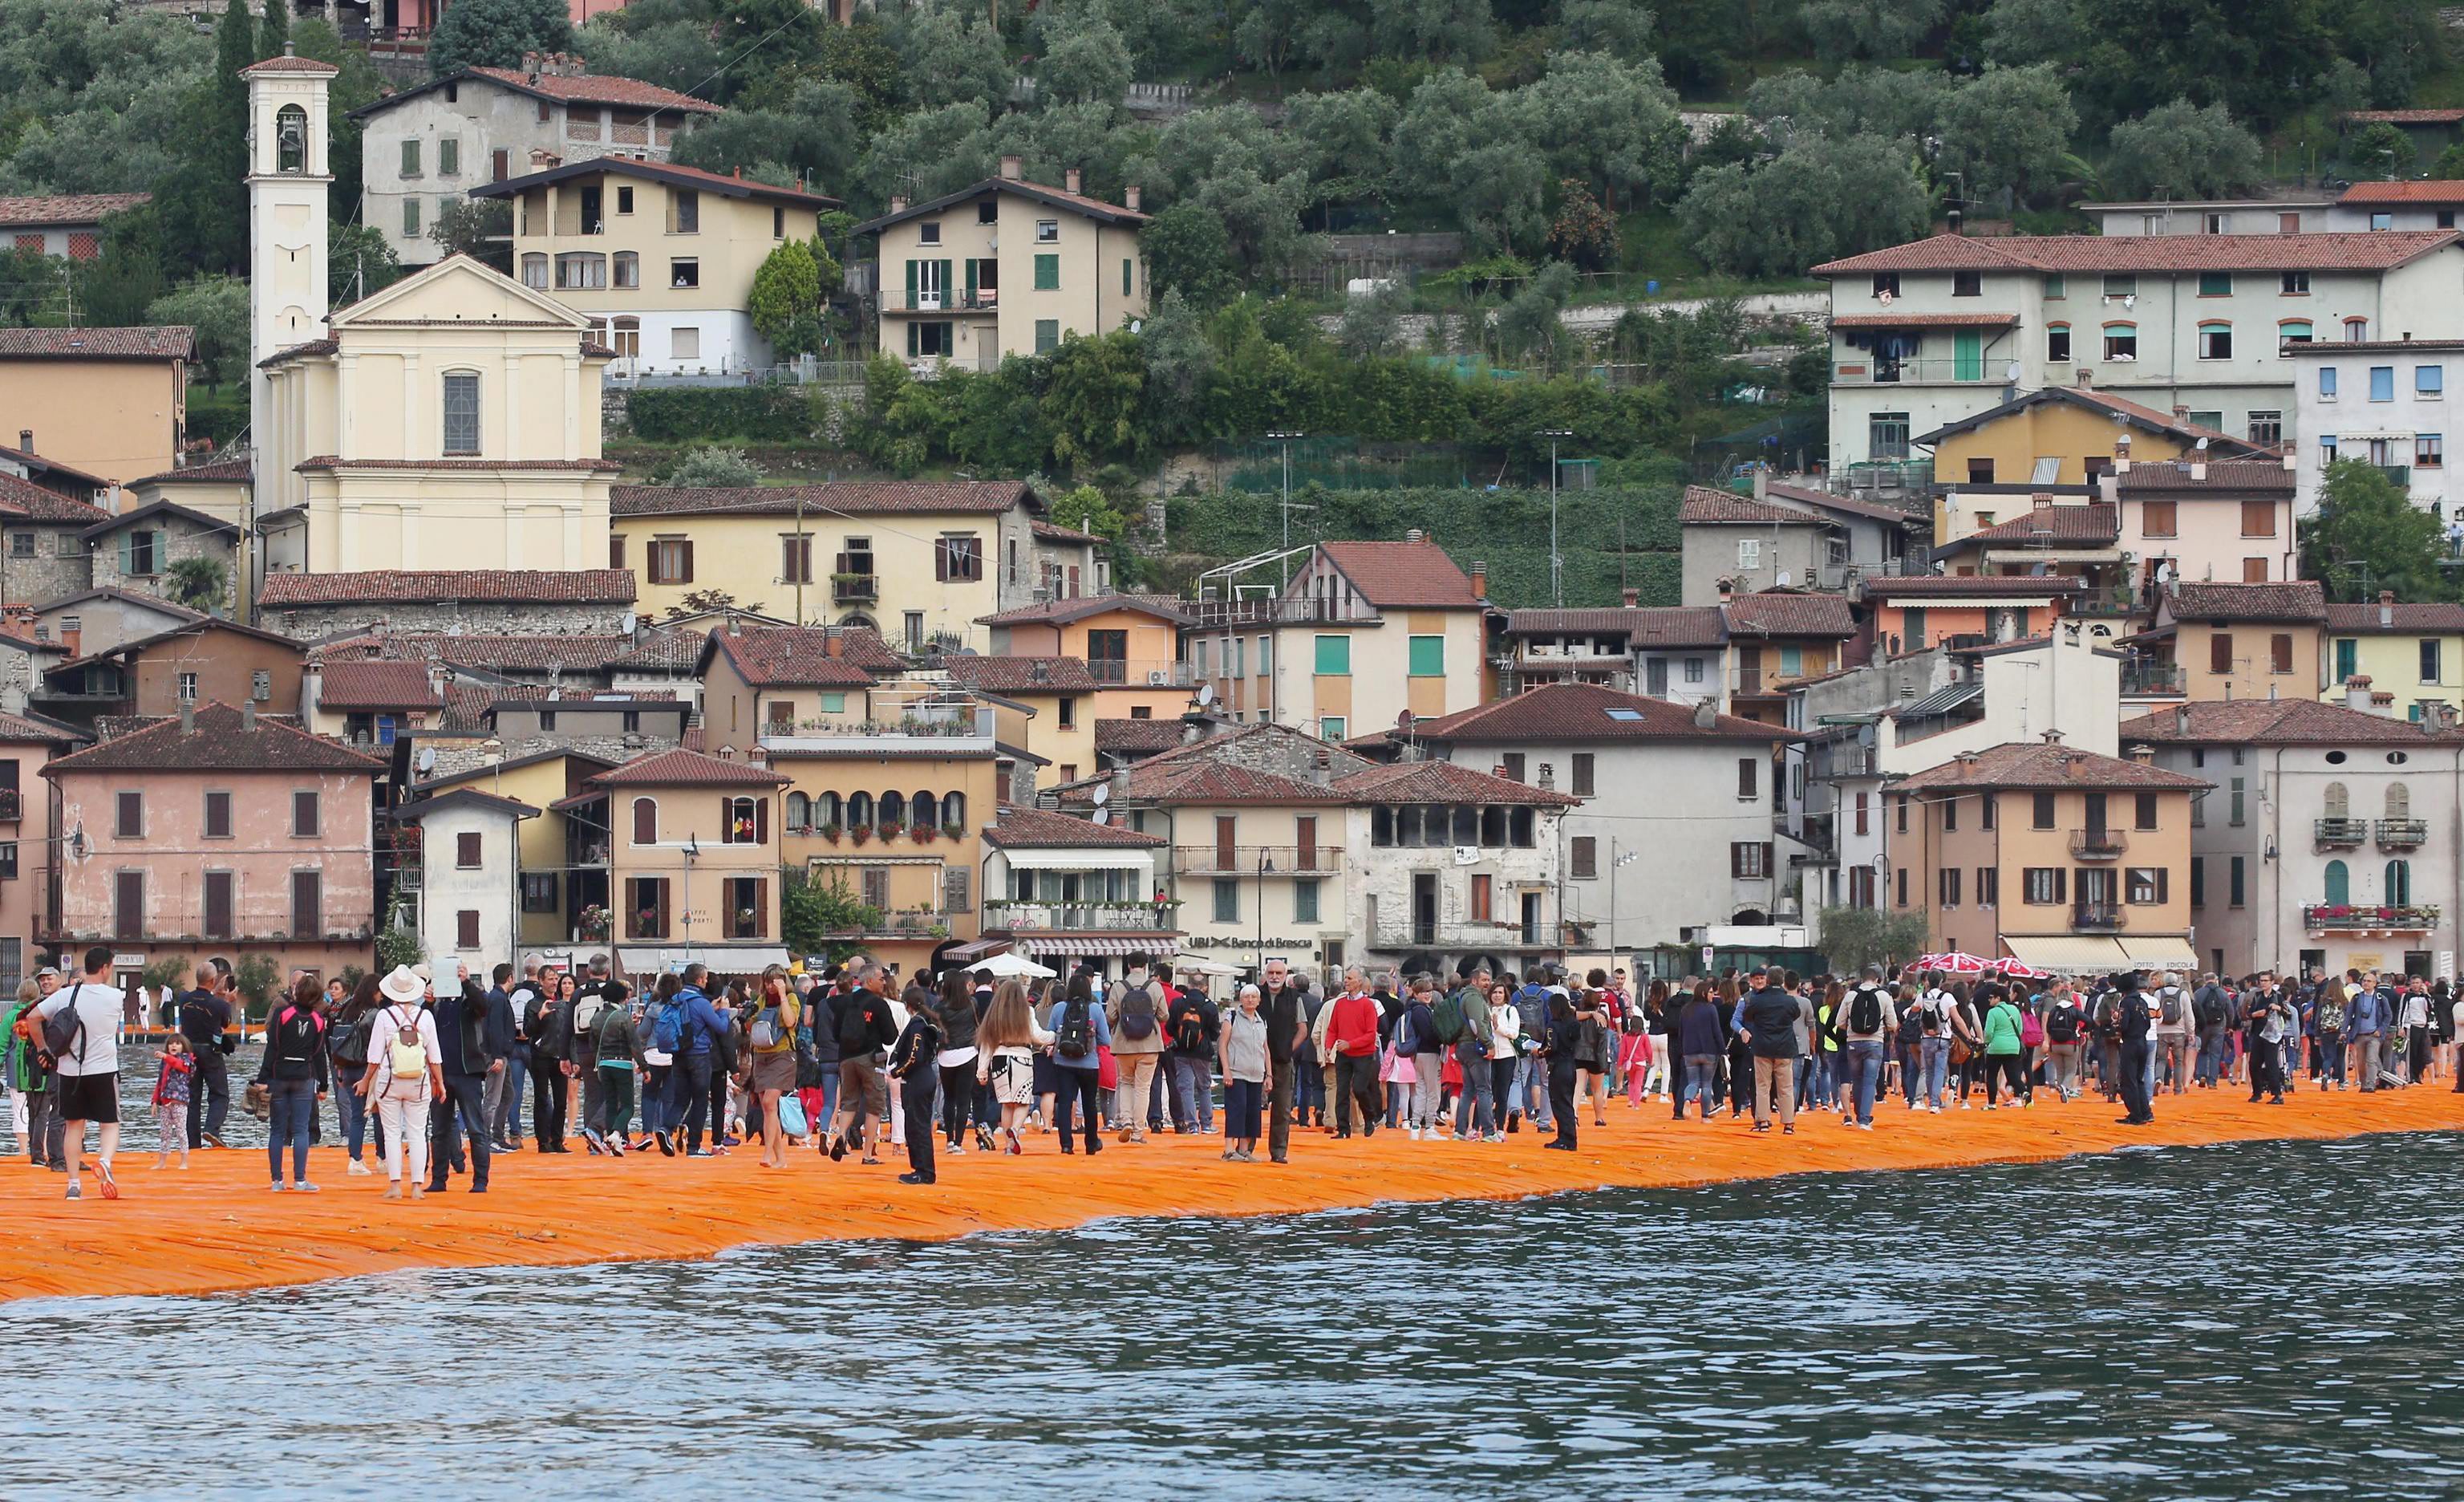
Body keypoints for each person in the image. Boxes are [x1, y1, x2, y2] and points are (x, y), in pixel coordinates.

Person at [34, 948, 128, 1200]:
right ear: (106, 968)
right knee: (109, 1124)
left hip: (69, 1071)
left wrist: (44, 1049)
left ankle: (73, 1185)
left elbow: (32, 1018)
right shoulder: (115, 996)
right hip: (104, 1070)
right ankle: (105, 1161)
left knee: (73, 1127)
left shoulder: (65, 995)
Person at [361, 965, 445, 1200]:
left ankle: (395, 1185)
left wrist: (366, 1081)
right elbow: (435, 1056)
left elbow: (374, 1057)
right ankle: (417, 1186)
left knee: (392, 1133)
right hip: (419, 1082)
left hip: (389, 1082)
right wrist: (440, 1082)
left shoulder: (384, 1017)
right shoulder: (425, 1016)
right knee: (418, 1133)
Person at [256, 976, 331, 1191]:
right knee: (301, 1130)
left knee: (277, 1130)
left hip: (279, 1075)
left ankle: (277, 1181)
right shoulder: (318, 1020)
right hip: (304, 1077)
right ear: (317, 996)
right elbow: (319, 1054)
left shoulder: (283, 1014)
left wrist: (263, 1079)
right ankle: (300, 1180)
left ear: (296, 992)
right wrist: (324, 1085)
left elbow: (272, 1048)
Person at [825, 964, 897, 1164]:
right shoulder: (879, 1004)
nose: (884, 982)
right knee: (874, 1105)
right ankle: (867, 1154)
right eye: (881, 978)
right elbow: (891, 1037)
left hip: (846, 1058)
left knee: (849, 1101)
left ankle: (841, 1135)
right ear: (869, 980)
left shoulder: (844, 1002)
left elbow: (835, 1033)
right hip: (870, 1057)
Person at [975, 980, 1053, 1155]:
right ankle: (1015, 1131)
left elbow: (987, 1044)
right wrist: (1054, 1035)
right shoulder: (1027, 1012)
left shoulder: (994, 1015)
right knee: (1023, 1102)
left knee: (1007, 1104)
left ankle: (1008, 1145)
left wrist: (982, 1070)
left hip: (999, 1059)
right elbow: (1037, 1036)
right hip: (1022, 1058)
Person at [1045, 972, 1111, 1156]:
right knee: (1090, 1103)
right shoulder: (1096, 1009)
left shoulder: (1059, 1008)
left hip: (1063, 1061)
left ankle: (1066, 1144)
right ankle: (1091, 1143)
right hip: (1089, 1063)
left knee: (1066, 1101)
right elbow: (1105, 1039)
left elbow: (1050, 1034)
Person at [744, 968, 800, 1170]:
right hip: (761, 1055)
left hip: (783, 1055)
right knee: (769, 1108)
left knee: (769, 1102)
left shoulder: (792, 998)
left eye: (774, 982)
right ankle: (780, 1158)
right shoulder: (761, 1000)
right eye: (767, 983)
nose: (770, 987)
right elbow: (750, 1028)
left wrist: (783, 995)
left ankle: (768, 1153)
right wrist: (749, 1016)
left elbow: (789, 1021)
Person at [1106, 960, 1166, 1145]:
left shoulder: (1118, 986)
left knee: (1125, 1083)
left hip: (1124, 1044)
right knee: (1143, 1088)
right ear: (1146, 966)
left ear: (1128, 966)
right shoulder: (1154, 987)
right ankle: (1139, 1132)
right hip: (1149, 1045)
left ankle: (1126, 1121)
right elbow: (1164, 1015)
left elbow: (1110, 1016)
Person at [176, 962, 235, 1150]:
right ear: (213, 980)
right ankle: (212, 1128)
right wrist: (227, 1001)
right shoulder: (219, 1004)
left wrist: (215, 993)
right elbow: (225, 1023)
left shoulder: (184, 999)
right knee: (220, 1094)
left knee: (192, 1098)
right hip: (211, 1052)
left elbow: (201, 1003)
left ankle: (193, 1144)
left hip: (188, 1052)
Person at [888, 985, 943, 1185]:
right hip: (924, 1077)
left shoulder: (918, 1025)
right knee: (918, 1125)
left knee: (917, 1126)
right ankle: (923, 1169)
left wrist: (897, 1071)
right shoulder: (925, 1022)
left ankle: (924, 1170)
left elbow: (914, 1056)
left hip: (918, 1078)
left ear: (907, 1005)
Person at [931, 967, 986, 1154]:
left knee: (949, 1098)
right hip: (968, 1053)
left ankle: (949, 1140)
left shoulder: (938, 1007)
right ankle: (959, 1143)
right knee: (964, 1100)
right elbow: (976, 1025)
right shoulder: (972, 1003)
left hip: (946, 1054)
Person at [1738, 972, 1800, 1134]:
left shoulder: (1757, 1001)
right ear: (1783, 981)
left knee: (1763, 1086)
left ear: (1768, 980)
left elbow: (1748, 1016)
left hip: (1763, 1047)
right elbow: (1795, 1015)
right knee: (1786, 1087)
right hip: (1785, 1047)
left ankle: (1763, 1121)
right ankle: (1788, 1124)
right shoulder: (1790, 1001)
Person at [1327, 966, 1383, 1139]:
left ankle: (1370, 1116)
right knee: (1341, 1091)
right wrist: (1329, 1046)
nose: (1346, 981)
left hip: (1363, 1054)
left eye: (1350, 978)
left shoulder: (1368, 1005)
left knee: (1359, 1089)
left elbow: (1371, 1034)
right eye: (1346, 978)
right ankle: (1343, 1129)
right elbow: (1332, 1029)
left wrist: (1349, 1044)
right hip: (1344, 1054)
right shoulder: (1340, 1004)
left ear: (1360, 982)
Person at [1837, 964, 1895, 1129]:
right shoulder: (1884, 996)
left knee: (1857, 1080)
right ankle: (1864, 1119)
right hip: (1875, 1042)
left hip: (1853, 1042)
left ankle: (1858, 1114)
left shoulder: (1851, 995)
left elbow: (1839, 1022)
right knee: (1870, 1081)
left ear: (1862, 979)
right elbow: (1892, 1023)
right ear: (1877, 979)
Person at [1259, 958, 1305, 1163]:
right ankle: (1246, 1148)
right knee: (1252, 1107)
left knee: (1282, 1109)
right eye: (1271, 973)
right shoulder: (1255, 995)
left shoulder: (1295, 998)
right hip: (1256, 1061)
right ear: (1265, 975)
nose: (1275, 977)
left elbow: (1302, 1029)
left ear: (1286, 976)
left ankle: (1278, 1152)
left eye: (1279, 973)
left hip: (1283, 1061)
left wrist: (1289, 1049)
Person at [4, 979, 52, 1167]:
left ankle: (25, 1150)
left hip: (17, 1071)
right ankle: (41, 1151)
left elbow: (2, 1045)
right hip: (42, 1069)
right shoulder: (43, 1013)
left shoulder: (11, 1017)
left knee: (22, 1111)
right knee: (43, 1112)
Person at [525, 972, 574, 1152]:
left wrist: (569, 1056)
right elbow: (527, 1030)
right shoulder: (533, 1004)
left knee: (561, 1101)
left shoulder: (562, 1004)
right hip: (540, 1056)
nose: (555, 982)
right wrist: (540, 1016)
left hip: (559, 1056)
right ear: (541, 981)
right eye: (550, 979)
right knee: (542, 1098)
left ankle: (557, 1139)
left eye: (556, 979)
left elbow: (567, 1032)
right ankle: (542, 1141)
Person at [1678, 981, 1724, 1122]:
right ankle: (1705, 1116)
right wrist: (1723, 1050)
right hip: (1709, 1051)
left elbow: (1681, 1032)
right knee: (1706, 1084)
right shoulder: (1711, 1009)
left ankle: (1687, 1100)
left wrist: (1683, 1049)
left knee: (1693, 1082)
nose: (1713, 995)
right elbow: (1717, 1032)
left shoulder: (1686, 1009)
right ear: (1704, 994)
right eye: (1711, 992)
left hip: (1690, 1051)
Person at [2116, 972, 2157, 1126]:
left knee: (2129, 1080)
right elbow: (2147, 1023)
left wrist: (2118, 1028)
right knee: (2139, 1079)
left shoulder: (2126, 1003)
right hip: (2143, 1041)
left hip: (2130, 1043)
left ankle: (2135, 1114)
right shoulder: (2142, 1002)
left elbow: (2123, 1025)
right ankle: (2146, 1112)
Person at [1543, 990, 1582, 1151]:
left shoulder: (1554, 1025)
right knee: (1567, 1102)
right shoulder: (1572, 1023)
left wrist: (1538, 1052)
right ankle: (1567, 1137)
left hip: (1558, 1066)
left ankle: (1567, 1138)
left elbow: (1551, 1047)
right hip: (1571, 1066)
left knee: (1559, 1103)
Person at [149, 1034, 194, 1171]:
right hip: (165, 1101)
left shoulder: (187, 1059)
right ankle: (162, 1161)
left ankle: (184, 1161)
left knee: (181, 1131)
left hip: (179, 1101)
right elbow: (160, 1082)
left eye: (177, 1043)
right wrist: (154, 1101)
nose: (174, 1046)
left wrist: (166, 1057)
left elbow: (180, 1066)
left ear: (184, 1046)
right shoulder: (164, 1061)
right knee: (165, 1132)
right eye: (171, 1044)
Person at [1980, 985, 2028, 1108]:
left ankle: (1991, 1103)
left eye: (1991, 998)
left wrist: (1987, 1042)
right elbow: (2020, 1029)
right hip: (2013, 1046)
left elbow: (1989, 1032)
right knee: (2013, 1075)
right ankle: (2025, 1092)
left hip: (1996, 1047)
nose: (1989, 1000)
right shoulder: (2015, 1010)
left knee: (1992, 1075)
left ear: (1998, 998)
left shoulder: (1993, 1012)